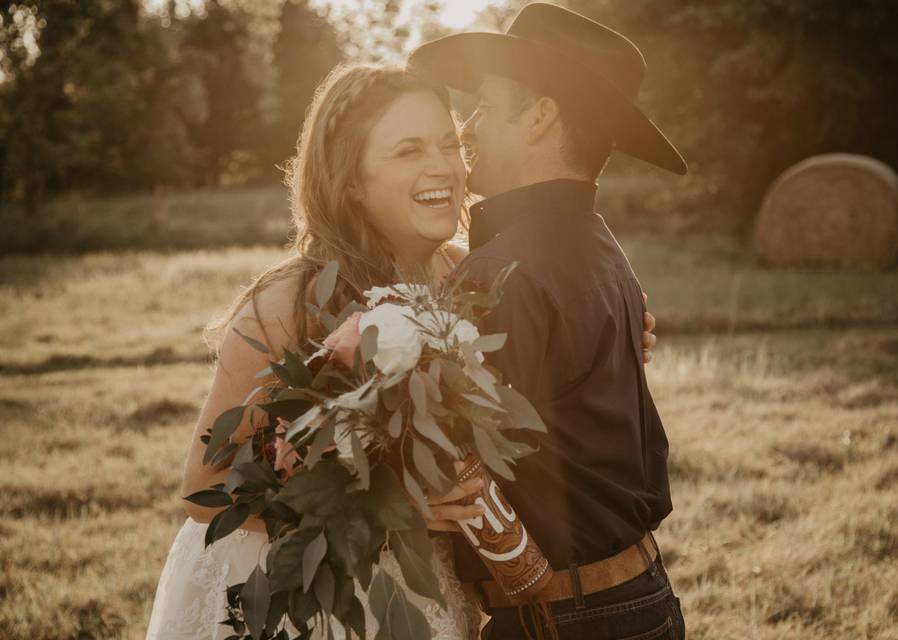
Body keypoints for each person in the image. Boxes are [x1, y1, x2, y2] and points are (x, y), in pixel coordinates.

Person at [145, 60, 663, 639]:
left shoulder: (469, 277)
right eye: (409, 150)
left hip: (427, 596)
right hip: (304, 592)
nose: (442, 164)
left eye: (447, 143)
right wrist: (386, 506)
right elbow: (203, 487)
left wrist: (614, 337)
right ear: (350, 179)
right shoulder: (286, 304)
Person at [409, 3, 685, 639]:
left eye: (486, 104)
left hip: (566, 616)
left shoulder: (503, 276)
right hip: (635, 596)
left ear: (539, 116)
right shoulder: (597, 241)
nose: (468, 123)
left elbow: (453, 462)